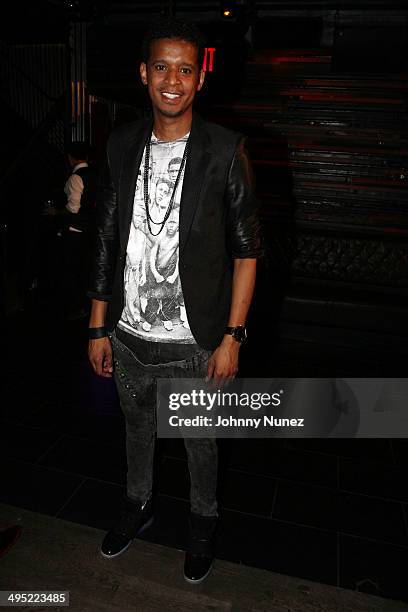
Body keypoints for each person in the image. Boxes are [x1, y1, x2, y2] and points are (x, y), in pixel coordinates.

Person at [87, 17, 262, 584]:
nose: (172, 80)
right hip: (130, 333)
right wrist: (97, 325)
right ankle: (138, 507)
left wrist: (232, 337)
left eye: (185, 69)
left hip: (195, 338)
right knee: (136, 430)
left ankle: (203, 523)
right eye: (161, 67)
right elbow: (107, 238)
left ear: (199, 80)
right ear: (143, 73)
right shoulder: (119, 143)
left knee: (199, 443)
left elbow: (247, 251)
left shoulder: (225, 150)